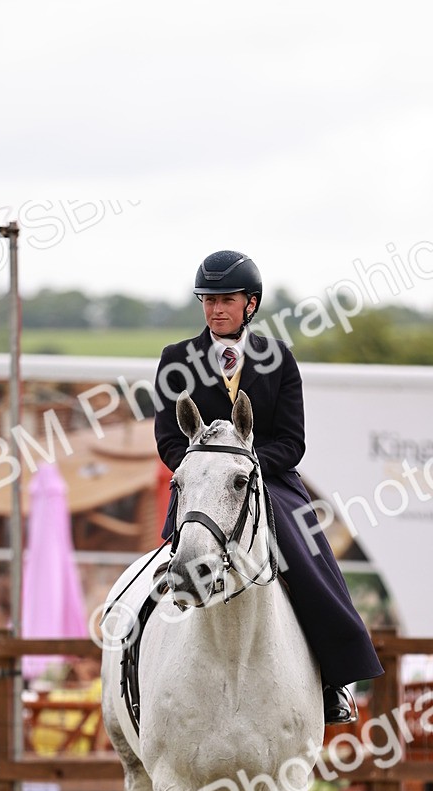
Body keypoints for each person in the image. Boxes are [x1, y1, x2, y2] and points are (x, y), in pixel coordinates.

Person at [153, 249, 384, 724]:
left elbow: (292, 442)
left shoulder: (278, 360)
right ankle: (136, 655)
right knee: (160, 563)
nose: (216, 308)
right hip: (199, 483)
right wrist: (202, 470)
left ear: (250, 304)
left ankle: (333, 677)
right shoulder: (176, 359)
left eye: (226, 300)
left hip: (268, 479)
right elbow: (167, 437)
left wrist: (247, 466)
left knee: (306, 552)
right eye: (208, 300)